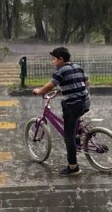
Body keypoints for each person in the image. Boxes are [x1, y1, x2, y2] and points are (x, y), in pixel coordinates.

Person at [33, 47, 90, 176]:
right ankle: (77, 137)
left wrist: (39, 91)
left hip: (73, 105)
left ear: (61, 59)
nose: (52, 61)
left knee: (68, 135)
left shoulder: (60, 71)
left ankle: (73, 167)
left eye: (54, 59)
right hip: (85, 101)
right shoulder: (77, 66)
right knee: (74, 120)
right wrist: (69, 87)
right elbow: (87, 83)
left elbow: (50, 85)